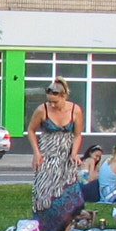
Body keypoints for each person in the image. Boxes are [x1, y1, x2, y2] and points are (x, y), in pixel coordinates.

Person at [27, 80, 85, 212]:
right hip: (47, 154)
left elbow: (77, 135)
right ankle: (44, 221)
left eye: (55, 102)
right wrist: (36, 153)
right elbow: (31, 130)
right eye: (50, 101)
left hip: (66, 154)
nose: (52, 105)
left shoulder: (75, 110)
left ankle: (66, 222)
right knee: (44, 190)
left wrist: (74, 154)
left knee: (66, 190)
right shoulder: (42, 110)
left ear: (64, 96)